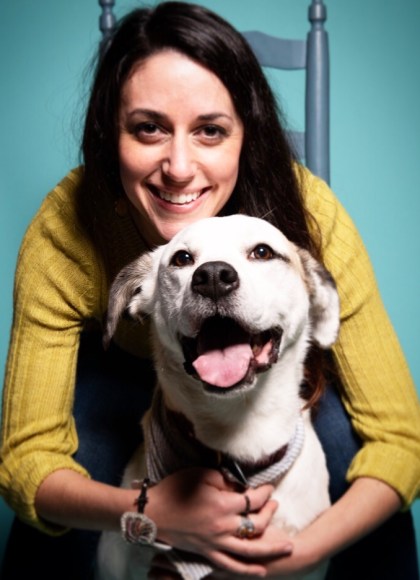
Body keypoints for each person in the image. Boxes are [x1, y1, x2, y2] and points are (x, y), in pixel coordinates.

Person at [0, 2, 419, 578]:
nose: (178, 166)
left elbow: (401, 438)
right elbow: (26, 460)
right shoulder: (66, 231)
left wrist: (298, 552)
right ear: (109, 136)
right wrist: (146, 513)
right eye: (148, 128)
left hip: (274, 384)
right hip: (121, 375)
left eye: (210, 131)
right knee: (75, 480)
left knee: (355, 467)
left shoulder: (311, 217)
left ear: (247, 135)